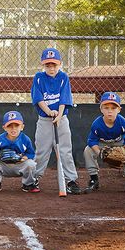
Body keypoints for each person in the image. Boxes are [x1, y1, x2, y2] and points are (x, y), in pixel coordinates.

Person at [31, 48, 81, 195]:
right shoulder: (39, 78)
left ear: (60, 64)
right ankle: (34, 178)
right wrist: (49, 112)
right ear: (43, 65)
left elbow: (64, 99)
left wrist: (58, 116)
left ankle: (71, 180)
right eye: (47, 65)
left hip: (62, 119)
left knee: (65, 150)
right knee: (41, 150)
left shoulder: (64, 77)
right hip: (44, 120)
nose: (51, 68)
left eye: (54, 64)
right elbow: (38, 99)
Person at [83, 92, 125, 194]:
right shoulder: (97, 124)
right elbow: (92, 141)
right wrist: (101, 153)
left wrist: (122, 152)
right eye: (106, 108)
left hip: (119, 143)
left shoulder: (124, 123)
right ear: (101, 109)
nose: (110, 111)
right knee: (88, 150)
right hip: (102, 144)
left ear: (119, 110)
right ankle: (94, 179)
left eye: (113, 108)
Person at [0, 111, 40, 193]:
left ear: (22, 127)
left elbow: (30, 153)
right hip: (4, 166)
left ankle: (28, 184)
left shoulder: (25, 139)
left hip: (19, 166)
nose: (13, 129)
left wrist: (23, 158)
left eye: (16, 125)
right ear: (4, 127)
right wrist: (0, 156)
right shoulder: (0, 139)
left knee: (30, 164)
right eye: (9, 126)